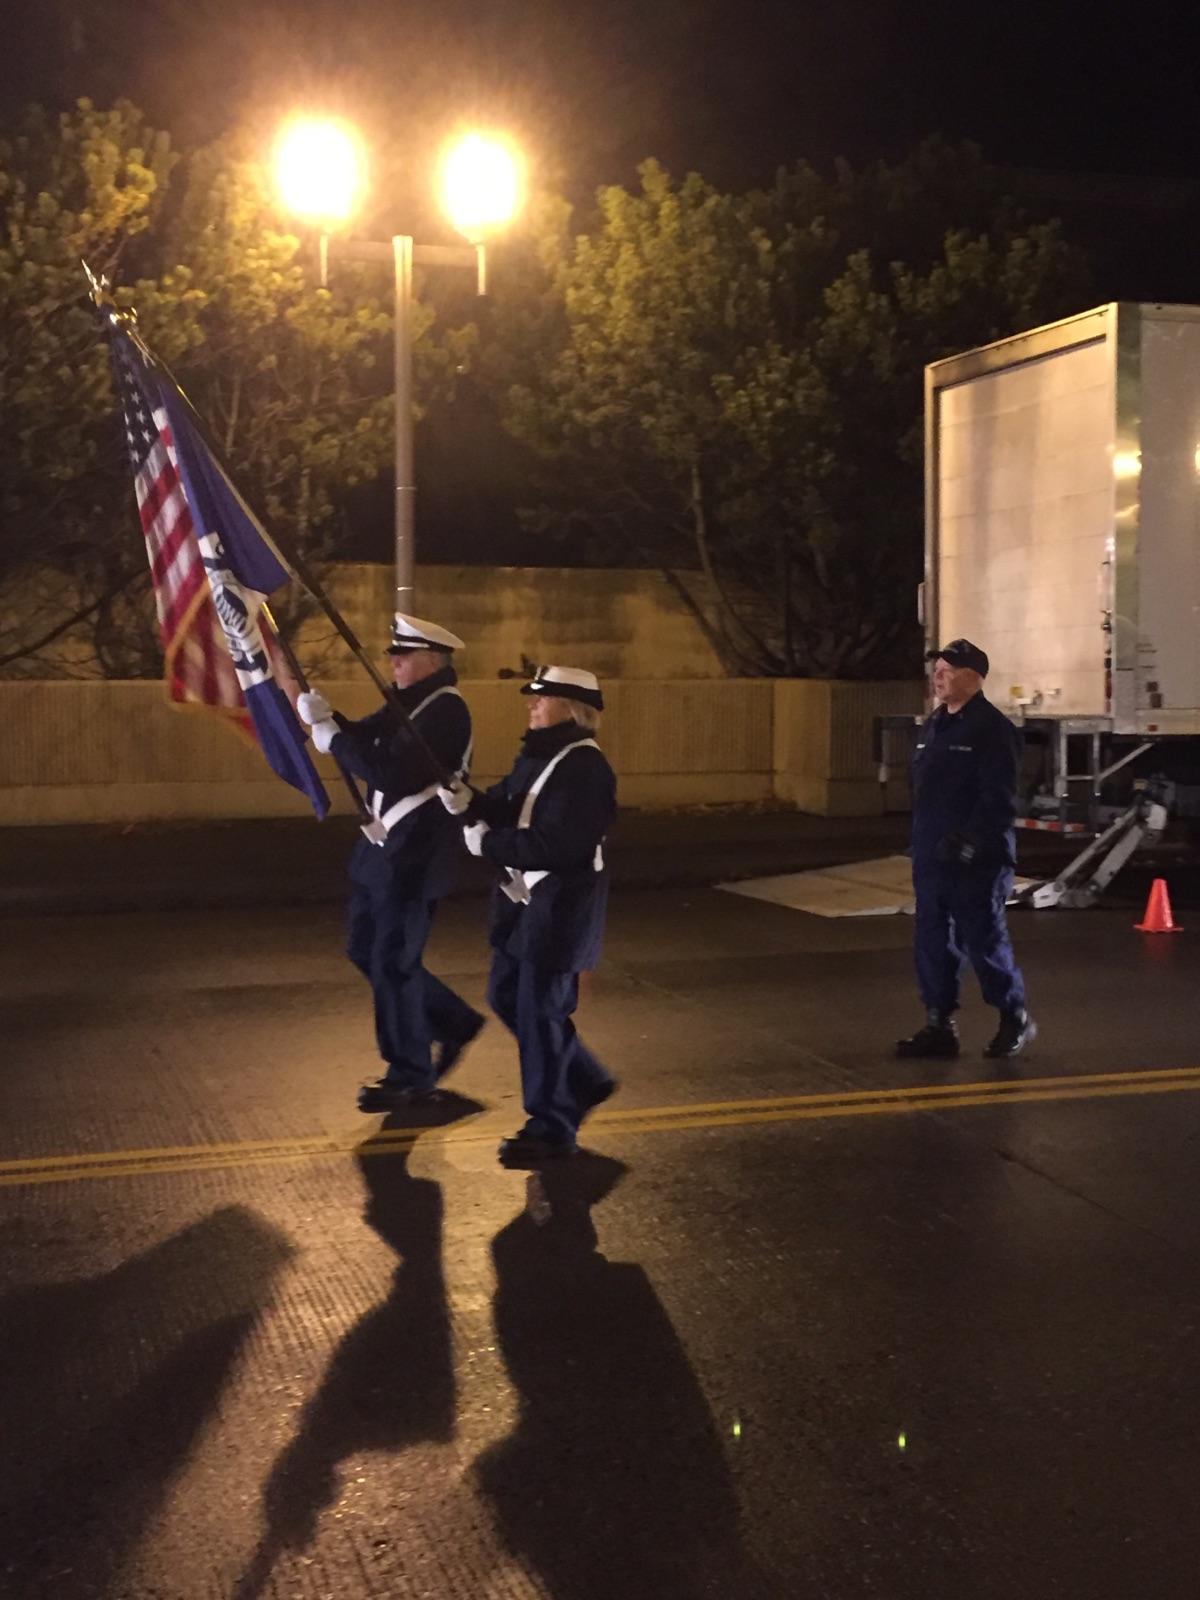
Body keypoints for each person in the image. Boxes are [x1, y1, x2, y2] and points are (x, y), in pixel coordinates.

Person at [297, 613, 484, 1112]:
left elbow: (395, 772)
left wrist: (333, 738)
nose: (394, 664)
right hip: (383, 857)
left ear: (432, 661)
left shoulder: (446, 711)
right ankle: (452, 1020)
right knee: (365, 949)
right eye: (395, 656)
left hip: (415, 860)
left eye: (403, 656)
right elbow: (366, 740)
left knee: (393, 965)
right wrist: (328, 719)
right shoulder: (410, 705)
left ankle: (411, 1074)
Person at [439, 666, 617, 1165]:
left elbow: (561, 845)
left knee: (540, 1013)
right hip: (525, 908)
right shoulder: (543, 755)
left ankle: (553, 1124)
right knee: (506, 995)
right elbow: (511, 803)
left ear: (574, 708)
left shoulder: (585, 767)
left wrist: (488, 843)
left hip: (559, 910)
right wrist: (472, 801)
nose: (532, 706)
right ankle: (584, 1079)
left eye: (543, 699)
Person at [896, 637, 1036, 1061]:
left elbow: (1000, 796)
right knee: (933, 940)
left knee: (983, 939)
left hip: (976, 859)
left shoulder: (993, 729)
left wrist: (973, 839)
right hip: (932, 857)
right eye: (936, 668)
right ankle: (940, 1025)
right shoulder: (936, 724)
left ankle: (1014, 1016)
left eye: (948, 669)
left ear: (974, 677)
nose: (938, 675)